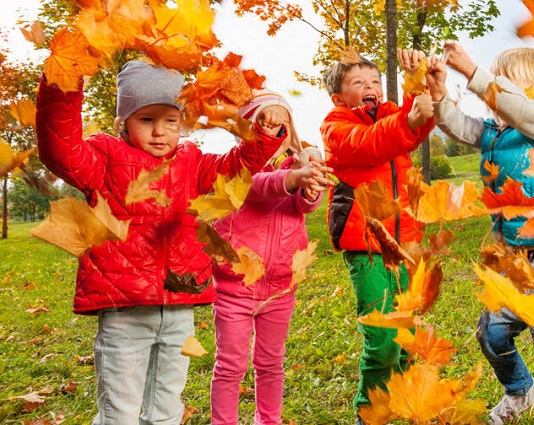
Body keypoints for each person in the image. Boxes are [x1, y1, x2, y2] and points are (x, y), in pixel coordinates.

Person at [35, 60, 286, 424]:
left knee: (167, 406)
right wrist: (63, 83)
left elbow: (236, 169)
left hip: (179, 307)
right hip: (125, 312)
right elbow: (60, 150)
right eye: (146, 119)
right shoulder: (103, 158)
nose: (159, 131)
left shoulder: (192, 161)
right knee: (119, 410)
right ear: (124, 121)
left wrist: (264, 135)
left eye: (170, 120)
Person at [425, 42, 534, 424]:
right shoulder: (498, 133)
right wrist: (439, 94)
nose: (496, 89)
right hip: (513, 264)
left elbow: (521, 110)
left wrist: (474, 72)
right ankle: (521, 390)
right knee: (492, 335)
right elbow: (458, 125)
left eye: (504, 80)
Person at [320, 49, 435, 424]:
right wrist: (408, 119)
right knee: (383, 339)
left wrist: (417, 80)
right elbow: (368, 143)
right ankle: (369, 413)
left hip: (406, 244)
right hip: (367, 247)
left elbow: (415, 126)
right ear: (339, 98)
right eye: (358, 82)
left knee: (406, 337)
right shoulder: (335, 126)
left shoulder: (390, 115)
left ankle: (403, 402)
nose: (370, 86)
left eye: (375, 81)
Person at [210, 89, 333, 425]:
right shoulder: (236, 169)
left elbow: (304, 205)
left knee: (270, 363)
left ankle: (269, 420)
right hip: (235, 287)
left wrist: (309, 189)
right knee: (230, 365)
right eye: (263, 126)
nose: (274, 134)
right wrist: (293, 179)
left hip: (280, 287)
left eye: (281, 127)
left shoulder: (298, 165)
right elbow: (259, 186)